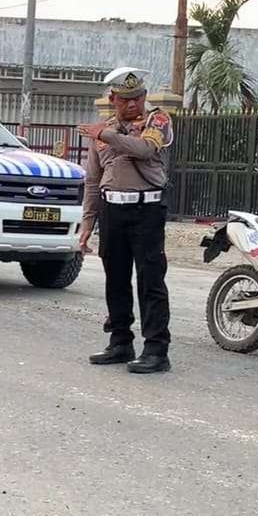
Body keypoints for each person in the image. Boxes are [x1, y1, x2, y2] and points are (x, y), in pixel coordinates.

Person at [79, 67, 175, 374]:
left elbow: (145, 149)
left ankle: (156, 349)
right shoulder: (103, 130)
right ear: (113, 99)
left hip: (146, 210)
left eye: (137, 97)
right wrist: (86, 226)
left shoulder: (157, 121)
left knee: (151, 279)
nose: (133, 104)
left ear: (145, 97)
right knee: (115, 278)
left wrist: (105, 135)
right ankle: (120, 341)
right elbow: (93, 181)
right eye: (126, 99)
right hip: (112, 210)